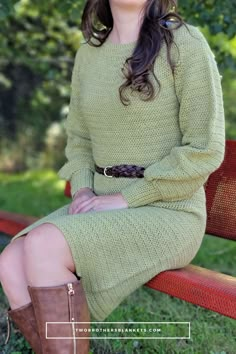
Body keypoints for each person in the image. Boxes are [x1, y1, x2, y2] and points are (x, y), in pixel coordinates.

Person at [0, 0, 225, 353]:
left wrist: (124, 200)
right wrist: (82, 192)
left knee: (44, 245)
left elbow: (205, 148)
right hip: (102, 202)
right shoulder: (89, 55)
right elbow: (79, 141)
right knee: (10, 261)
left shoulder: (185, 44)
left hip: (169, 211)